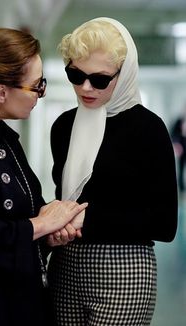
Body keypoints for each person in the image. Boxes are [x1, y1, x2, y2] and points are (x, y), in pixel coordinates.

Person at [0, 27, 88, 326]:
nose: (41, 94)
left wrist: (50, 231)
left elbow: (25, 213)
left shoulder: (2, 137)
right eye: (36, 86)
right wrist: (41, 224)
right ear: (1, 92)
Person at [47, 17, 178, 326]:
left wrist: (85, 218)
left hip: (124, 268)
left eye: (100, 79)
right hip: (65, 266)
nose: (85, 88)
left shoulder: (149, 129)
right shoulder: (63, 126)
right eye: (75, 75)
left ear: (126, 73)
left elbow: (165, 224)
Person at [170, 106, 186, 193]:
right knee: (181, 168)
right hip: (182, 149)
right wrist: (177, 144)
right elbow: (173, 134)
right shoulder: (179, 121)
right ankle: (181, 188)